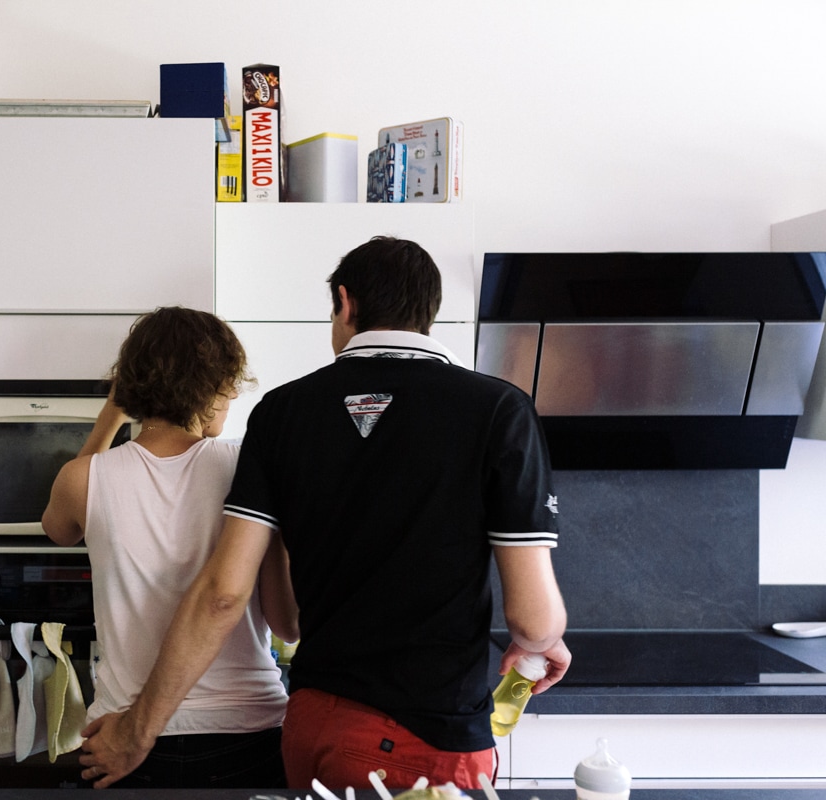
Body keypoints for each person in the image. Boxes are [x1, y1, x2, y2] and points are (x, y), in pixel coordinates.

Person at [77, 237, 570, 791]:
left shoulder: (282, 412)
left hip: (312, 724)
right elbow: (533, 620)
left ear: (345, 302)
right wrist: (543, 642)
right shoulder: (499, 409)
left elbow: (225, 591)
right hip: (425, 735)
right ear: (430, 314)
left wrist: (140, 731)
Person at [41, 306, 299, 789]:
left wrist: (111, 414)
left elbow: (58, 529)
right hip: (248, 727)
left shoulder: (83, 478)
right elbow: (288, 623)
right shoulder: (253, 467)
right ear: (213, 385)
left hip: (124, 735)